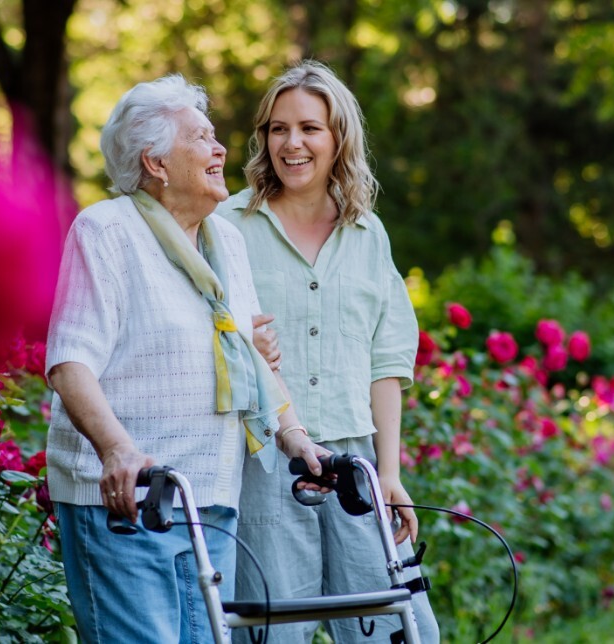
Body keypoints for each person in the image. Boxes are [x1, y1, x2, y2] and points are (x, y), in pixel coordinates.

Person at [44, 74, 327, 643]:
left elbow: (249, 356)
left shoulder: (227, 242)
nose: (221, 148)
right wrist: (118, 448)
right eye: (200, 138)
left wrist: (294, 436)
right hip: (129, 502)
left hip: (210, 499)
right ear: (156, 163)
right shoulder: (107, 231)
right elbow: (69, 361)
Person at [219, 61, 441, 643]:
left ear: (339, 136)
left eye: (310, 128)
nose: (292, 143)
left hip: (354, 464)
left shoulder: (368, 234)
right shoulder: (225, 227)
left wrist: (388, 474)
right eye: (277, 128)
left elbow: (387, 363)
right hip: (263, 463)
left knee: (402, 631)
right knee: (270, 635)